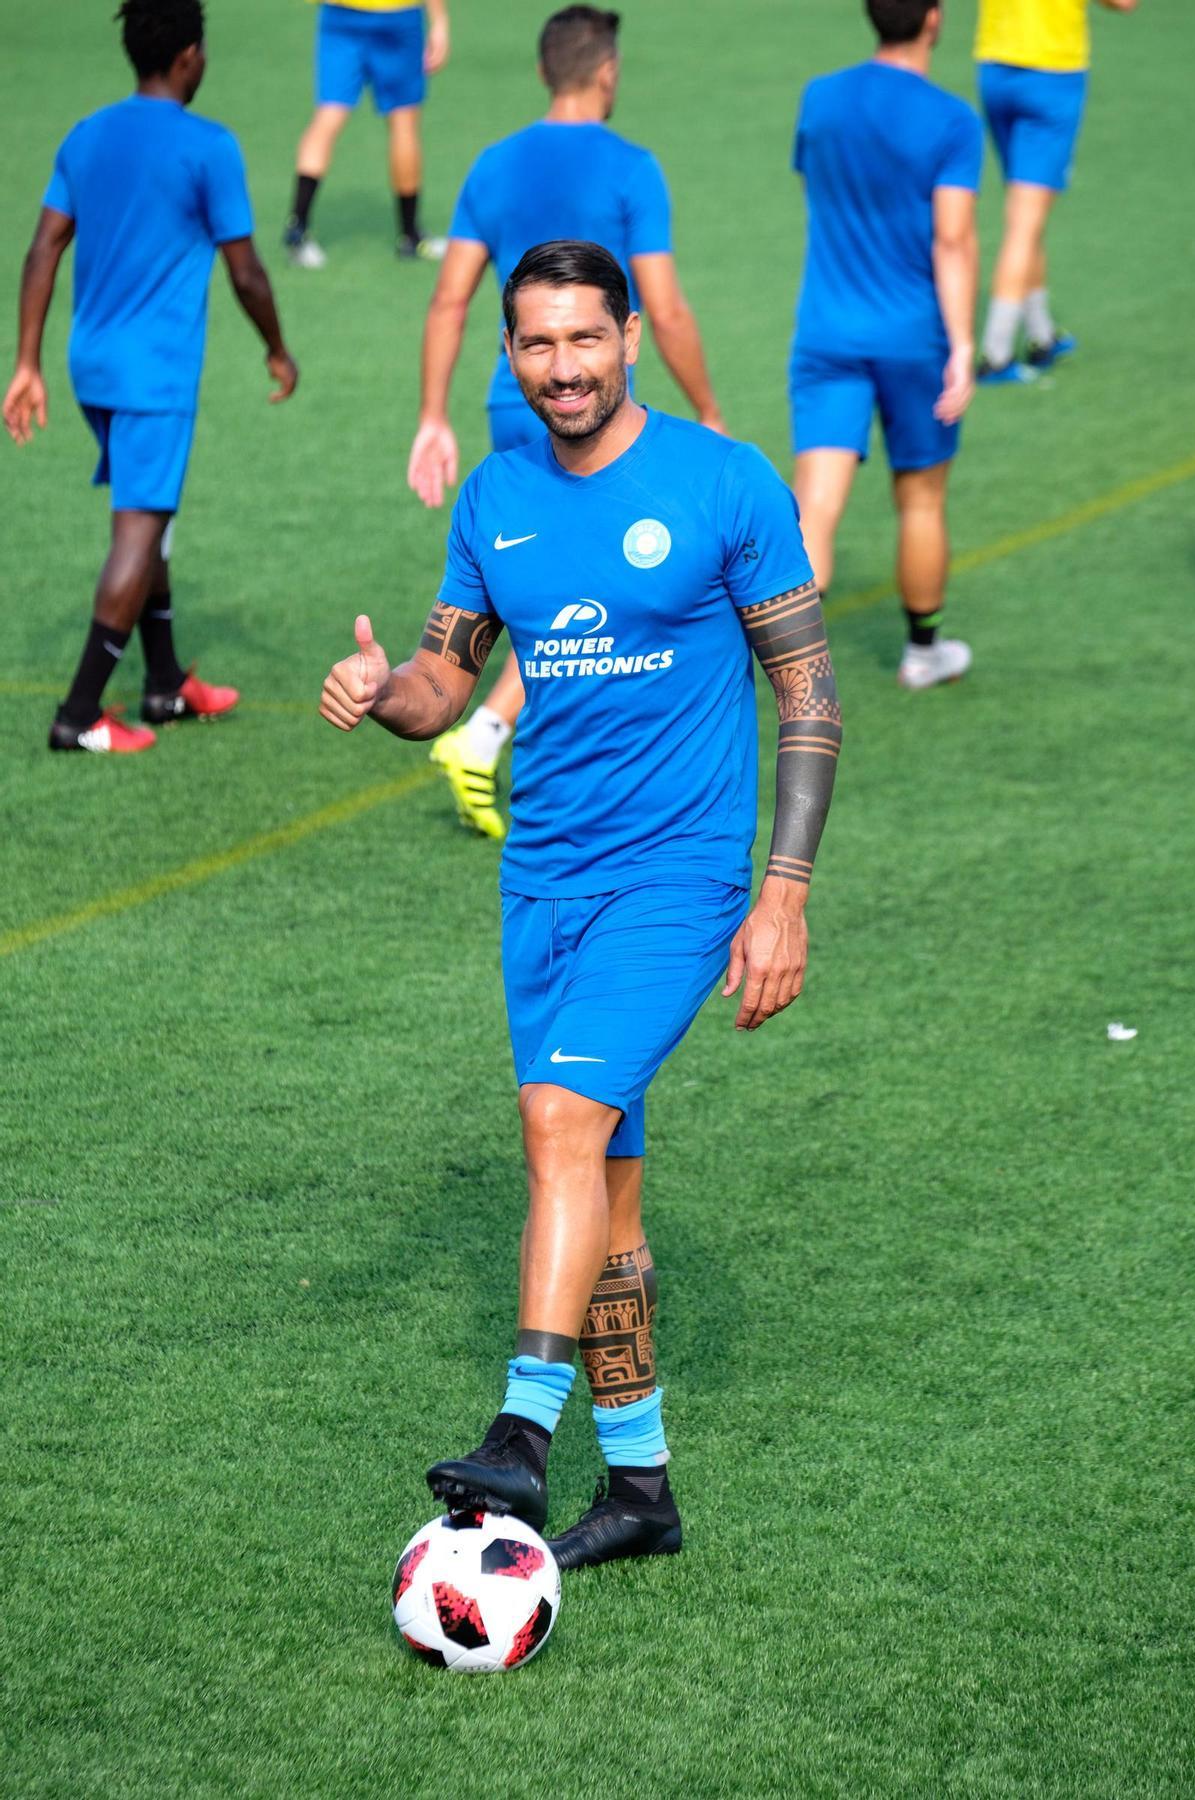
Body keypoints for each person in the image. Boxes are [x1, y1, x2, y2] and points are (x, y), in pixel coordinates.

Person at [320, 240, 841, 1569]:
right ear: (511, 356)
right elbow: (447, 680)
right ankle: (645, 1491)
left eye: (586, 340)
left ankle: (520, 1435)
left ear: (633, 340)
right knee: (602, 1189)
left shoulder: (725, 483)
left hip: (679, 881)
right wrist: (389, 696)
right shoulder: (495, 500)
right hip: (540, 882)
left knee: (555, 1118)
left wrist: (781, 895)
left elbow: (811, 699)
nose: (564, 369)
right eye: (538, 346)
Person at [407, 4, 724, 840]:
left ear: (547, 71)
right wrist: (710, 411)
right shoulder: (632, 167)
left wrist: (431, 416)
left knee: (553, 581)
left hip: (516, 398)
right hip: (600, 414)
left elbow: (449, 299)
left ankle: (494, 731)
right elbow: (664, 305)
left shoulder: (494, 163)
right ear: (607, 72)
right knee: (604, 590)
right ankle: (487, 736)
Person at [3, 0, 297, 755]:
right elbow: (248, 271)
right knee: (138, 528)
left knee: (151, 514)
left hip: (88, 365)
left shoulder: (87, 133)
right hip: (153, 375)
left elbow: (42, 252)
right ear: (189, 56)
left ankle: (164, 685)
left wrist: (26, 362)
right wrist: (276, 348)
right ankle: (78, 714)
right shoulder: (209, 146)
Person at [788, 0, 981, 691]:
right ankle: (922, 653)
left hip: (828, 333)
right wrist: (963, 344)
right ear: (933, 18)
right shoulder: (952, 120)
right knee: (922, 500)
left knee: (815, 509)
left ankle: (786, 672)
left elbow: (821, 188)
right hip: (913, 339)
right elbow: (952, 238)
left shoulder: (820, 98)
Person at [975, 0, 1139, 382]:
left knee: (1027, 212)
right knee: (1024, 222)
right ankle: (996, 354)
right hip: (1051, 75)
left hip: (995, 67)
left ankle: (1041, 334)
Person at [283, 0, 450, 267]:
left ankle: (298, 227)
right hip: (398, 15)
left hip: (340, 14)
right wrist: (439, 21)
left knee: (328, 116)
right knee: (403, 121)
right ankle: (410, 236)